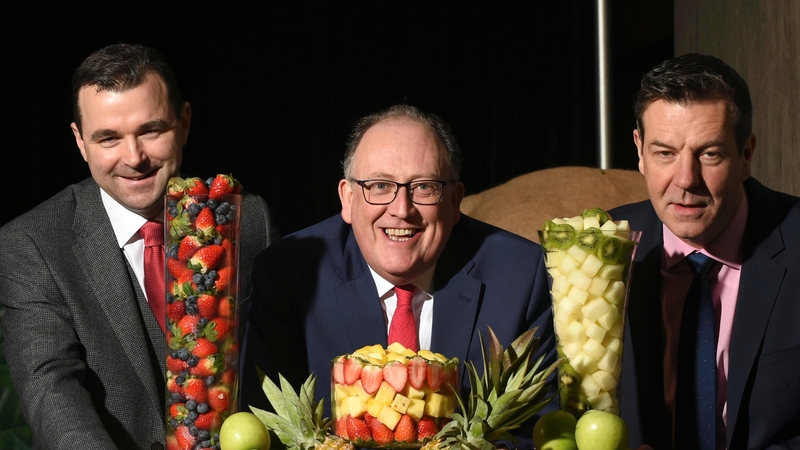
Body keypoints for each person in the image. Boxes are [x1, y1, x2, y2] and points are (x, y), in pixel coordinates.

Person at [0, 43, 278, 449]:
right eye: (108, 138)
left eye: (151, 130)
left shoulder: (247, 219)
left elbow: (275, 360)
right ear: (80, 142)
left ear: (183, 123)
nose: (134, 158)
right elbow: (51, 390)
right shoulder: (32, 243)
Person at [239, 104, 555, 445]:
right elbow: (267, 428)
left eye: (424, 187)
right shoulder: (288, 274)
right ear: (347, 198)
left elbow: (534, 433)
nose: (402, 210)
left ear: (454, 201)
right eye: (378, 186)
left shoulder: (520, 275)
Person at [612, 53, 800, 449]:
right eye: (665, 153)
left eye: (709, 154)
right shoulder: (597, 251)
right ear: (640, 151)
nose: (685, 179)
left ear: (746, 155)